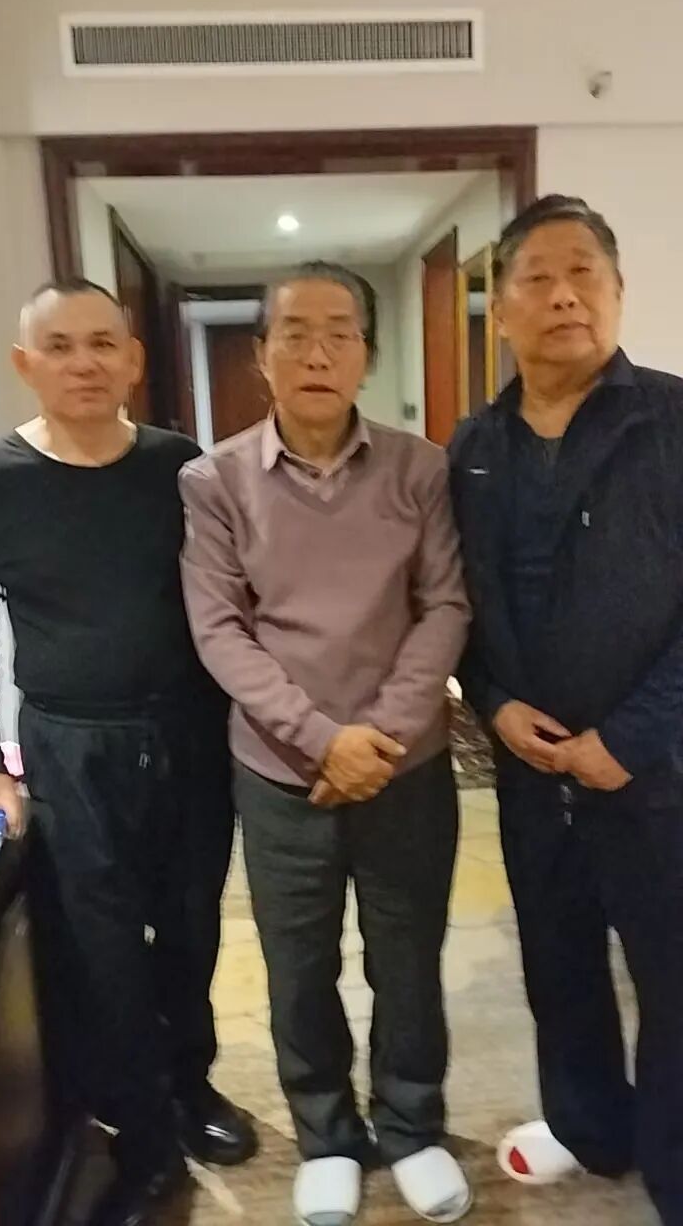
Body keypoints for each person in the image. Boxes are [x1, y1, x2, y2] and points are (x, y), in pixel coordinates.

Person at [180, 261, 472, 1226]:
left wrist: (377, 735)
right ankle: (328, 1138)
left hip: (405, 767)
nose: (316, 351)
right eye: (294, 333)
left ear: (365, 354)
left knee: (408, 957)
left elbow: (445, 606)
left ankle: (413, 1128)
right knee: (299, 964)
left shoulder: (420, 469)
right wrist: (319, 739)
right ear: (261, 355)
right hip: (279, 772)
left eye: (338, 332)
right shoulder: (214, 480)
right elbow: (220, 629)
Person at [0, 280, 256, 1226]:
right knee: (103, 957)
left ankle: (192, 1085)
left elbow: (231, 600)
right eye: (59, 346)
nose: (83, 363)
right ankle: (145, 1139)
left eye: (102, 344)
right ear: (25, 364)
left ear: (132, 359)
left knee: (192, 931)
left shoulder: (182, 467)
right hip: (70, 748)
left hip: (190, 737)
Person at [450, 195, 683, 1226]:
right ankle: (593, 1125)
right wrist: (493, 702)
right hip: (532, 769)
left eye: (584, 273)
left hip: (657, 766)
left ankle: (672, 1162)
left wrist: (630, 736)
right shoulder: (473, 445)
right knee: (559, 962)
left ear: (618, 292)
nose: (563, 296)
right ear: (501, 308)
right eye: (537, 278)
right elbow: (456, 602)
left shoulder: (671, 421)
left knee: (672, 975)